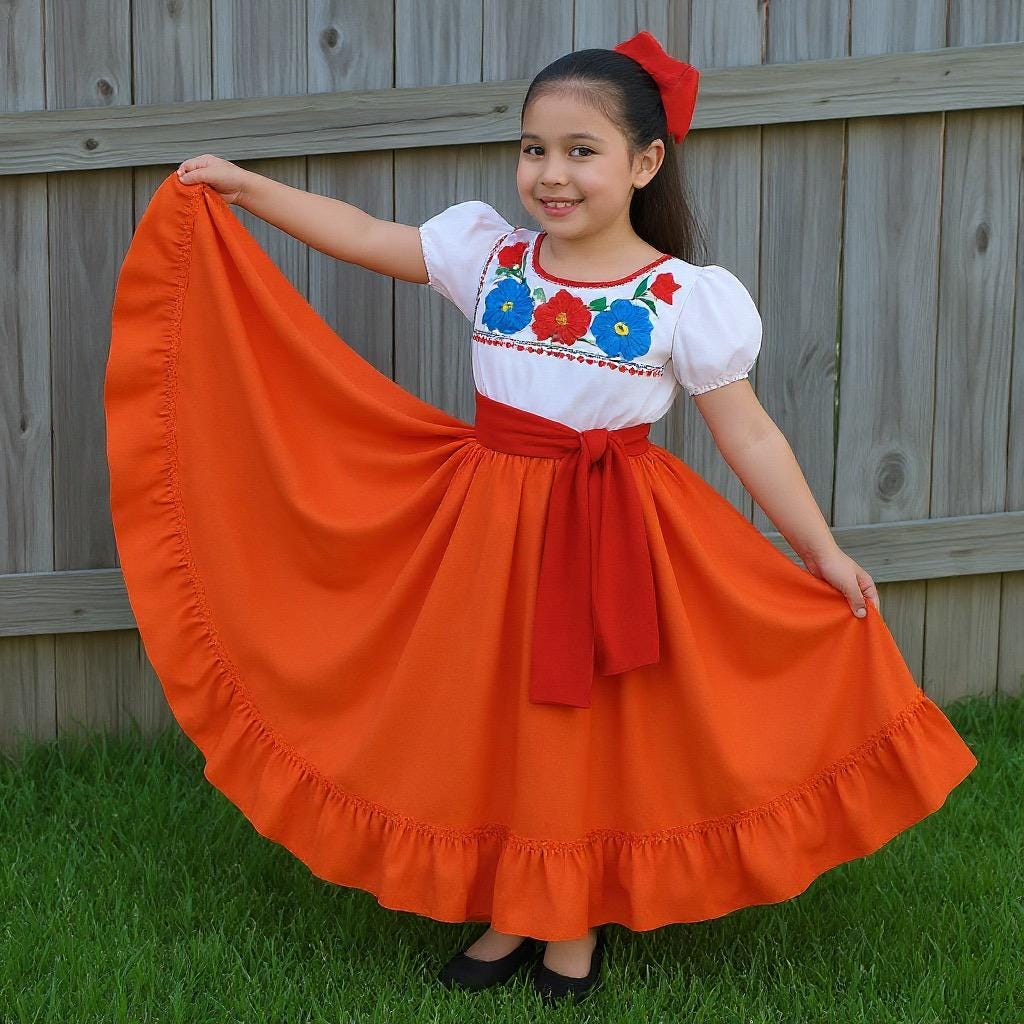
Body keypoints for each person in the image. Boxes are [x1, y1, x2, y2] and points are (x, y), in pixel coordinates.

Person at [105, 30, 978, 1008]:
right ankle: (513, 902)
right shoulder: (492, 258)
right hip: (486, 533)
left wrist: (821, 550)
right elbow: (361, 232)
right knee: (494, 715)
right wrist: (246, 189)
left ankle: (568, 917)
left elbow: (752, 435)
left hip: (614, 538)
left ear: (644, 163)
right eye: (534, 149)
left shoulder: (680, 298)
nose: (551, 174)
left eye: (580, 150)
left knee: (580, 725)